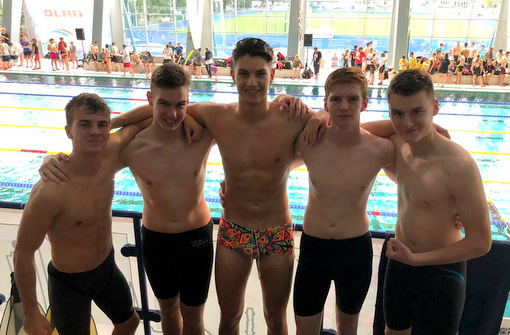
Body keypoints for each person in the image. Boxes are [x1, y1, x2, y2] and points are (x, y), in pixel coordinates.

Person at [110, 37, 320, 335]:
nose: (252, 82)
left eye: (260, 73)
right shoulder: (215, 115)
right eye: (244, 73)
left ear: (272, 75)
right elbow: (164, 108)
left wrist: (319, 114)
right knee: (229, 318)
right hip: (233, 230)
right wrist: (110, 124)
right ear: (232, 74)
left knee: (276, 318)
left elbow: (331, 120)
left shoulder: (291, 116)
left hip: (276, 231)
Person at [14, 93, 142, 335]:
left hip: (106, 268)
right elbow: (23, 253)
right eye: (84, 124)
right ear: (68, 131)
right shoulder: (50, 190)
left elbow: (149, 116)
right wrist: (31, 313)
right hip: (69, 283)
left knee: (129, 323)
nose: (95, 131)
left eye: (102, 124)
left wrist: (185, 119)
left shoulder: (111, 155)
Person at [383, 69, 492, 335]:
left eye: (417, 112)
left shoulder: (459, 165)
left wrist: (417, 260)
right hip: (400, 263)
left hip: (442, 272)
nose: (407, 123)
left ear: (435, 107)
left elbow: (481, 242)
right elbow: (351, 127)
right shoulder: (398, 145)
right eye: (398, 113)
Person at [293, 67, 395, 335]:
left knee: (348, 328)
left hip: (355, 251)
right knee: (305, 329)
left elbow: (415, 184)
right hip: (314, 248)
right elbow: (269, 167)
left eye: (353, 99)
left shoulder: (381, 149)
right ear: (326, 102)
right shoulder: (309, 142)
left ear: (365, 103)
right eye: (335, 100)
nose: (344, 107)